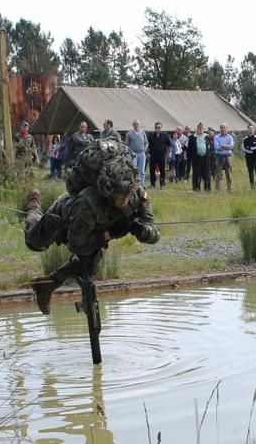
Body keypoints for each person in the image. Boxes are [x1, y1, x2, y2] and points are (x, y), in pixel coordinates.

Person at [23, 156, 160, 315]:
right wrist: (110, 234)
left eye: (126, 195)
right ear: (108, 193)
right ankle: (33, 206)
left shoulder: (137, 192)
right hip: (64, 218)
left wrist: (144, 231)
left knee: (88, 265)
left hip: (97, 226)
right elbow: (76, 245)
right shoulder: (88, 202)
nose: (124, 201)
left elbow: (155, 232)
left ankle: (46, 286)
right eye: (119, 195)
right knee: (34, 242)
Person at [188, 122, 212, 192]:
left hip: (205, 158)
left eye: (202, 128)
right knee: (196, 174)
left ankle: (207, 188)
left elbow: (210, 147)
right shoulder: (192, 137)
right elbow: (189, 149)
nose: (200, 129)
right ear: (197, 129)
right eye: (199, 128)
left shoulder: (207, 137)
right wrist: (190, 159)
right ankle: (196, 188)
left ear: (204, 129)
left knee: (206, 174)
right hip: (196, 159)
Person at [147, 121, 172, 189]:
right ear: (154, 128)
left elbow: (169, 145)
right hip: (153, 155)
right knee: (152, 170)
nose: (157, 128)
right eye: (156, 127)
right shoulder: (151, 135)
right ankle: (152, 184)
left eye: (159, 127)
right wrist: (148, 153)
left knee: (162, 170)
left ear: (161, 128)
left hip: (161, 155)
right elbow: (148, 145)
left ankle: (162, 184)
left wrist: (169, 153)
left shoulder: (165, 135)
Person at [125, 119, 148, 185]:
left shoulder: (143, 132)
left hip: (142, 154)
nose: (136, 125)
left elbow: (146, 143)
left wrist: (145, 149)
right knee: (134, 170)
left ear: (139, 125)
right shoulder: (129, 134)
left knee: (142, 171)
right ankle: (134, 184)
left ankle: (142, 185)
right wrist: (131, 152)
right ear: (132, 125)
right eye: (135, 124)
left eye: (137, 124)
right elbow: (126, 145)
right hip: (133, 154)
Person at [213, 123, 234, 191]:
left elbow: (231, 147)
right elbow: (217, 148)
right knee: (218, 174)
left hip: (228, 156)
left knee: (229, 174)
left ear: (226, 128)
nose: (223, 129)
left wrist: (221, 145)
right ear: (220, 129)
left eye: (224, 127)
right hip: (219, 156)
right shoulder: (216, 137)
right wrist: (226, 146)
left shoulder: (230, 137)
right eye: (221, 127)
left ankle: (229, 189)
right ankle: (217, 189)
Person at [242, 124, 256, 189]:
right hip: (248, 159)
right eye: (249, 128)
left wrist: (250, 148)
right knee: (250, 173)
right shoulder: (245, 139)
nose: (251, 129)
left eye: (252, 128)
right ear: (247, 129)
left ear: (254, 129)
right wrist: (253, 149)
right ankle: (252, 187)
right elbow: (244, 149)